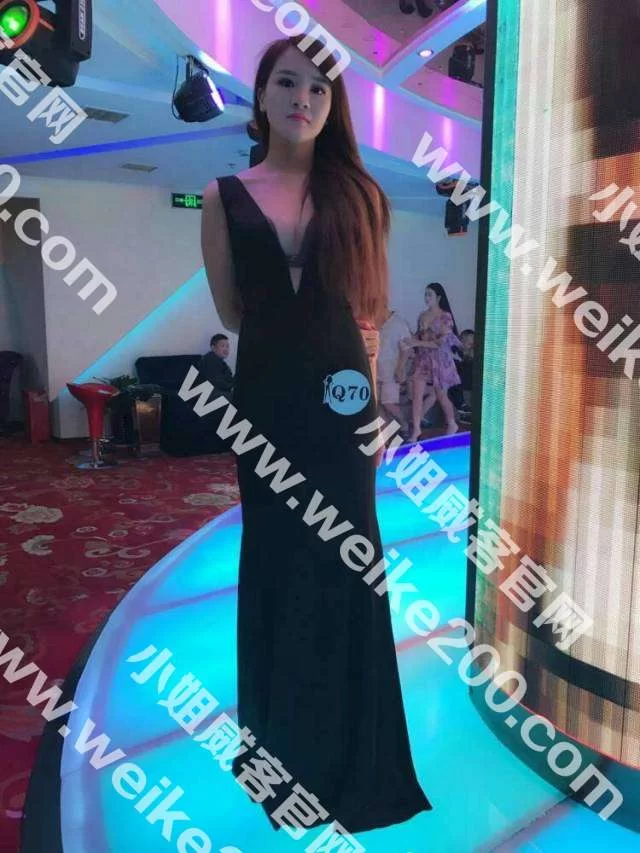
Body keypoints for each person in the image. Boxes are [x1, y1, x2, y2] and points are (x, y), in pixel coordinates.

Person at [201, 34, 431, 834]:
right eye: (288, 83)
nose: (303, 98)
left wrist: (376, 404)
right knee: (276, 557)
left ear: (333, 107)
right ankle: (284, 753)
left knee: (348, 561)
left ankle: (354, 759)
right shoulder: (221, 195)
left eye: (319, 89)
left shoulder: (359, 194)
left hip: (343, 402)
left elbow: (368, 308)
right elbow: (233, 311)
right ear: (262, 94)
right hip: (267, 399)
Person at [403, 282, 462, 440]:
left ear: (438, 297)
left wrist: (416, 342)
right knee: (417, 395)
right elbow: (419, 336)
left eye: (430, 294)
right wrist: (409, 342)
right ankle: (416, 429)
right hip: (423, 358)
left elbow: (439, 343)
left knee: (441, 395)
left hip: (439, 360)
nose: (427, 297)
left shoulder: (445, 317)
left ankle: (452, 422)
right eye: (426, 294)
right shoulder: (422, 315)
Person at [377, 308, 412, 436]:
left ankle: (404, 424)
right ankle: (385, 433)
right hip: (375, 369)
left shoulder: (398, 323)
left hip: (391, 369)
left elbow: (406, 349)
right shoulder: (373, 321)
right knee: (378, 404)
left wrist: (400, 368)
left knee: (388, 403)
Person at [199, 333, 234, 399]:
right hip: (206, 394)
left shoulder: (221, 362)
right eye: (223, 346)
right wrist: (232, 386)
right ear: (213, 348)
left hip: (215, 392)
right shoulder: (210, 359)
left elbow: (228, 379)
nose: (226, 349)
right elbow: (217, 382)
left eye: (227, 346)